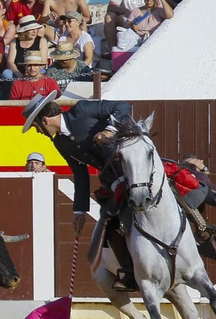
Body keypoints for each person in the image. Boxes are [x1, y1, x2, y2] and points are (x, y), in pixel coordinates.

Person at [22, 92, 137, 286]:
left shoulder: (82, 109)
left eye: (36, 127)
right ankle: (128, 272)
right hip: (113, 178)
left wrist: (110, 130)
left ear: (45, 119)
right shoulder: (60, 142)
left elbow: (123, 106)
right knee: (109, 220)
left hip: (134, 162)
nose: (38, 132)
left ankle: (202, 229)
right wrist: (79, 210)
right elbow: (80, 173)